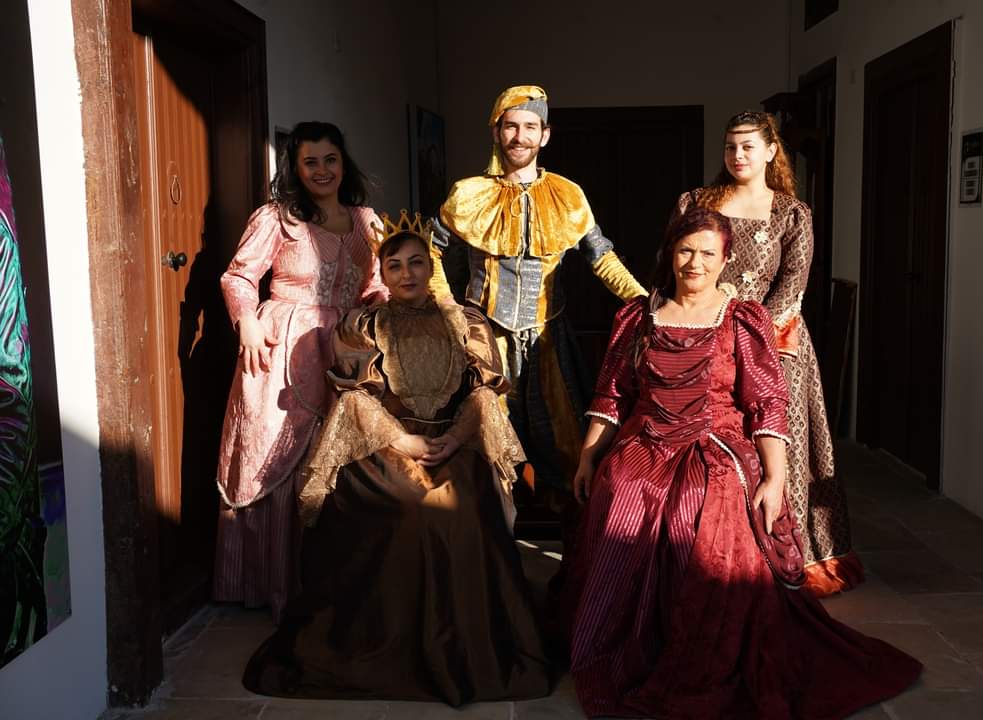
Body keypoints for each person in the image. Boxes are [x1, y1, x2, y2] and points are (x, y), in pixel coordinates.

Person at [566, 207, 921, 719]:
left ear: (725, 259)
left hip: (716, 441)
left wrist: (776, 476)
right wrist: (588, 456)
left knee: (700, 503)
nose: (695, 262)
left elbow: (766, 403)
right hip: (644, 440)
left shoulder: (741, 319)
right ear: (669, 253)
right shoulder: (638, 316)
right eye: (686, 250)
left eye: (707, 253)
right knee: (621, 486)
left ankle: (695, 642)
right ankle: (626, 635)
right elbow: (612, 394)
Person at [243, 213, 551, 704]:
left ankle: (465, 644)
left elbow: (484, 393)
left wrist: (456, 436)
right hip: (384, 444)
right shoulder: (362, 325)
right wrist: (403, 442)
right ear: (382, 274)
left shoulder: (466, 322)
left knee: (462, 510)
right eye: (395, 266)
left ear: (431, 267)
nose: (407, 274)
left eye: (416, 263)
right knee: (412, 512)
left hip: (453, 443)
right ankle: (393, 643)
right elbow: (354, 397)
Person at [670, 110, 863, 596]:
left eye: (748, 146)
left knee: (777, 446)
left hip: (773, 343)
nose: (737, 155)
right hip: (702, 336)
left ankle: (787, 558)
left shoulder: (792, 214)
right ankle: (710, 550)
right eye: (730, 146)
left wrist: (744, 338)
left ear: (771, 151)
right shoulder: (695, 202)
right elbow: (673, 262)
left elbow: (792, 285)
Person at [430, 84, 646, 503]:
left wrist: (646, 303)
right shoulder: (468, 194)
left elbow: (602, 258)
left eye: (530, 127)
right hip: (483, 339)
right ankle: (495, 543)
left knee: (565, 444)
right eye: (511, 126)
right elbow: (429, 252)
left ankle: (570, 541)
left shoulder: (568, 195)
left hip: (549, 336)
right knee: (485, 444)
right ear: (496, 132)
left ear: (545, 135)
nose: (520, 136)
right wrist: (447, 308)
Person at [214, 121, 387, 621]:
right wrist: (247, 320)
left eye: (330, 159)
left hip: (344, 349)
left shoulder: (366, 221)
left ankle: (325, 584)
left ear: (343, 163)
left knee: (335, 455)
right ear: (295, 166)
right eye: (310, 162)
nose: (322, 170)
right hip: (279, 349)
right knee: (273, 453)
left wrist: (378, 319)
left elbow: (377, 285)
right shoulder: (276, 217)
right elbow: (239, 275)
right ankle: (265, 582)